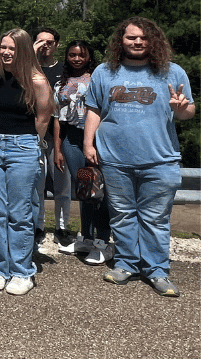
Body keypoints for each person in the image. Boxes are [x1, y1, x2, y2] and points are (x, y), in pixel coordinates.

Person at [84, 17, 194, 297]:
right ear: (121, 40)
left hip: (160, 159)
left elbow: (187, 112)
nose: (137, 42)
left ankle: (157, 270)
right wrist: (89, 144)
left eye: (143, 38)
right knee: (121, 215)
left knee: (156, 218)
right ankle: (126, 264)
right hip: (114, 158)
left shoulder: (172, 72)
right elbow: (94, 110)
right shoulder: (104, 72)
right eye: (131, 37)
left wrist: (180, 108)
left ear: (153, 40)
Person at [0, 29, 53, 295]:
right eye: (2, 47)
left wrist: (29, 144)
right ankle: (0, 267)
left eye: (12, 48)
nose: (6, 53)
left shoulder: (37, 81)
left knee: (19, 214)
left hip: (23, 147)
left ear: (23, 50)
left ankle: (23, 271)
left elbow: (43, 120)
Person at [52, 40, 111, 265]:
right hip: (73, 141)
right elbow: (58, 119)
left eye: (81, 55)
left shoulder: (98, 79)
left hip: (95, 141)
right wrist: (58, 148)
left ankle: (102, 240)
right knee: (85, 190)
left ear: (89, 57)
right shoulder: (61, 83)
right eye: (72, 55)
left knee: (100, 191)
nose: (77, 58)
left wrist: (93, 144)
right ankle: (86, 237)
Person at [33, 26, 72, 250]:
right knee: (36, 185)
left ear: (56, 44)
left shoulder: (64, 70)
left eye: (49, 42)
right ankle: (38, 226)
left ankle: (61, 227)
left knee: (62, 185)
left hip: (59, 135)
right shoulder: (28, 68)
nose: (45, 45)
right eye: (40, 41)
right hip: (34, 134)